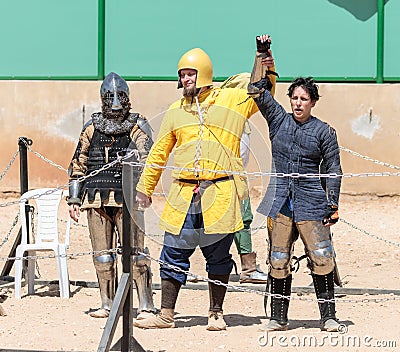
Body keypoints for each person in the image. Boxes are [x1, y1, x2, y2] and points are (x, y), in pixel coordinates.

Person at [133, 47, 260, 331]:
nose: (186, 79)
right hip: (183, 193)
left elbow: (263, 88)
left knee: (217, 255)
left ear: (203, 74)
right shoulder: (176, 111)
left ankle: (216, 313)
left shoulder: (232, 101)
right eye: (182, 75)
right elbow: (159, 152)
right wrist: (146, 186)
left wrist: (264, 57)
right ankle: (166, 315)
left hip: (220, 191)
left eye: (190, 73)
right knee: (173, 252)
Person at [248, 35, 343, 332]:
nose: (298, 103)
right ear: (289, 100)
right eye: (295, 98)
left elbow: (334, 170)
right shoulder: (278, 120)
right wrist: (262, 54)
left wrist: (332, 203)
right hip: (280, 202)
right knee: (278, 260)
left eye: (304, 99)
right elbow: (256, 89)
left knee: (322, 258)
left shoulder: (325, 132)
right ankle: (278, 317)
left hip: (312, 202)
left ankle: (328, 316)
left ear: (312, 102)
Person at [67, 72, 157, 319]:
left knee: (136, 255)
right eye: (110, 97)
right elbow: (79, 163)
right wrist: (74, 198)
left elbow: (150, 157)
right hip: (96, 198)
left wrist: (144, 189)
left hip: (129, 197)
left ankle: (145, 304)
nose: (115, 102)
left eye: (119, 96)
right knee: (103, 257)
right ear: (102, 99)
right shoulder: (91, 127)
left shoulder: (138, 124)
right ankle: (108, 304)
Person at [218, 49, 277, 284]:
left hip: (232, 177)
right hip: (223, 178)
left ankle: (246, 267)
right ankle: (247, 268)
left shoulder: (237, 119)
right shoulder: (230, 118)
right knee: (237, 219)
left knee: (239, 219)